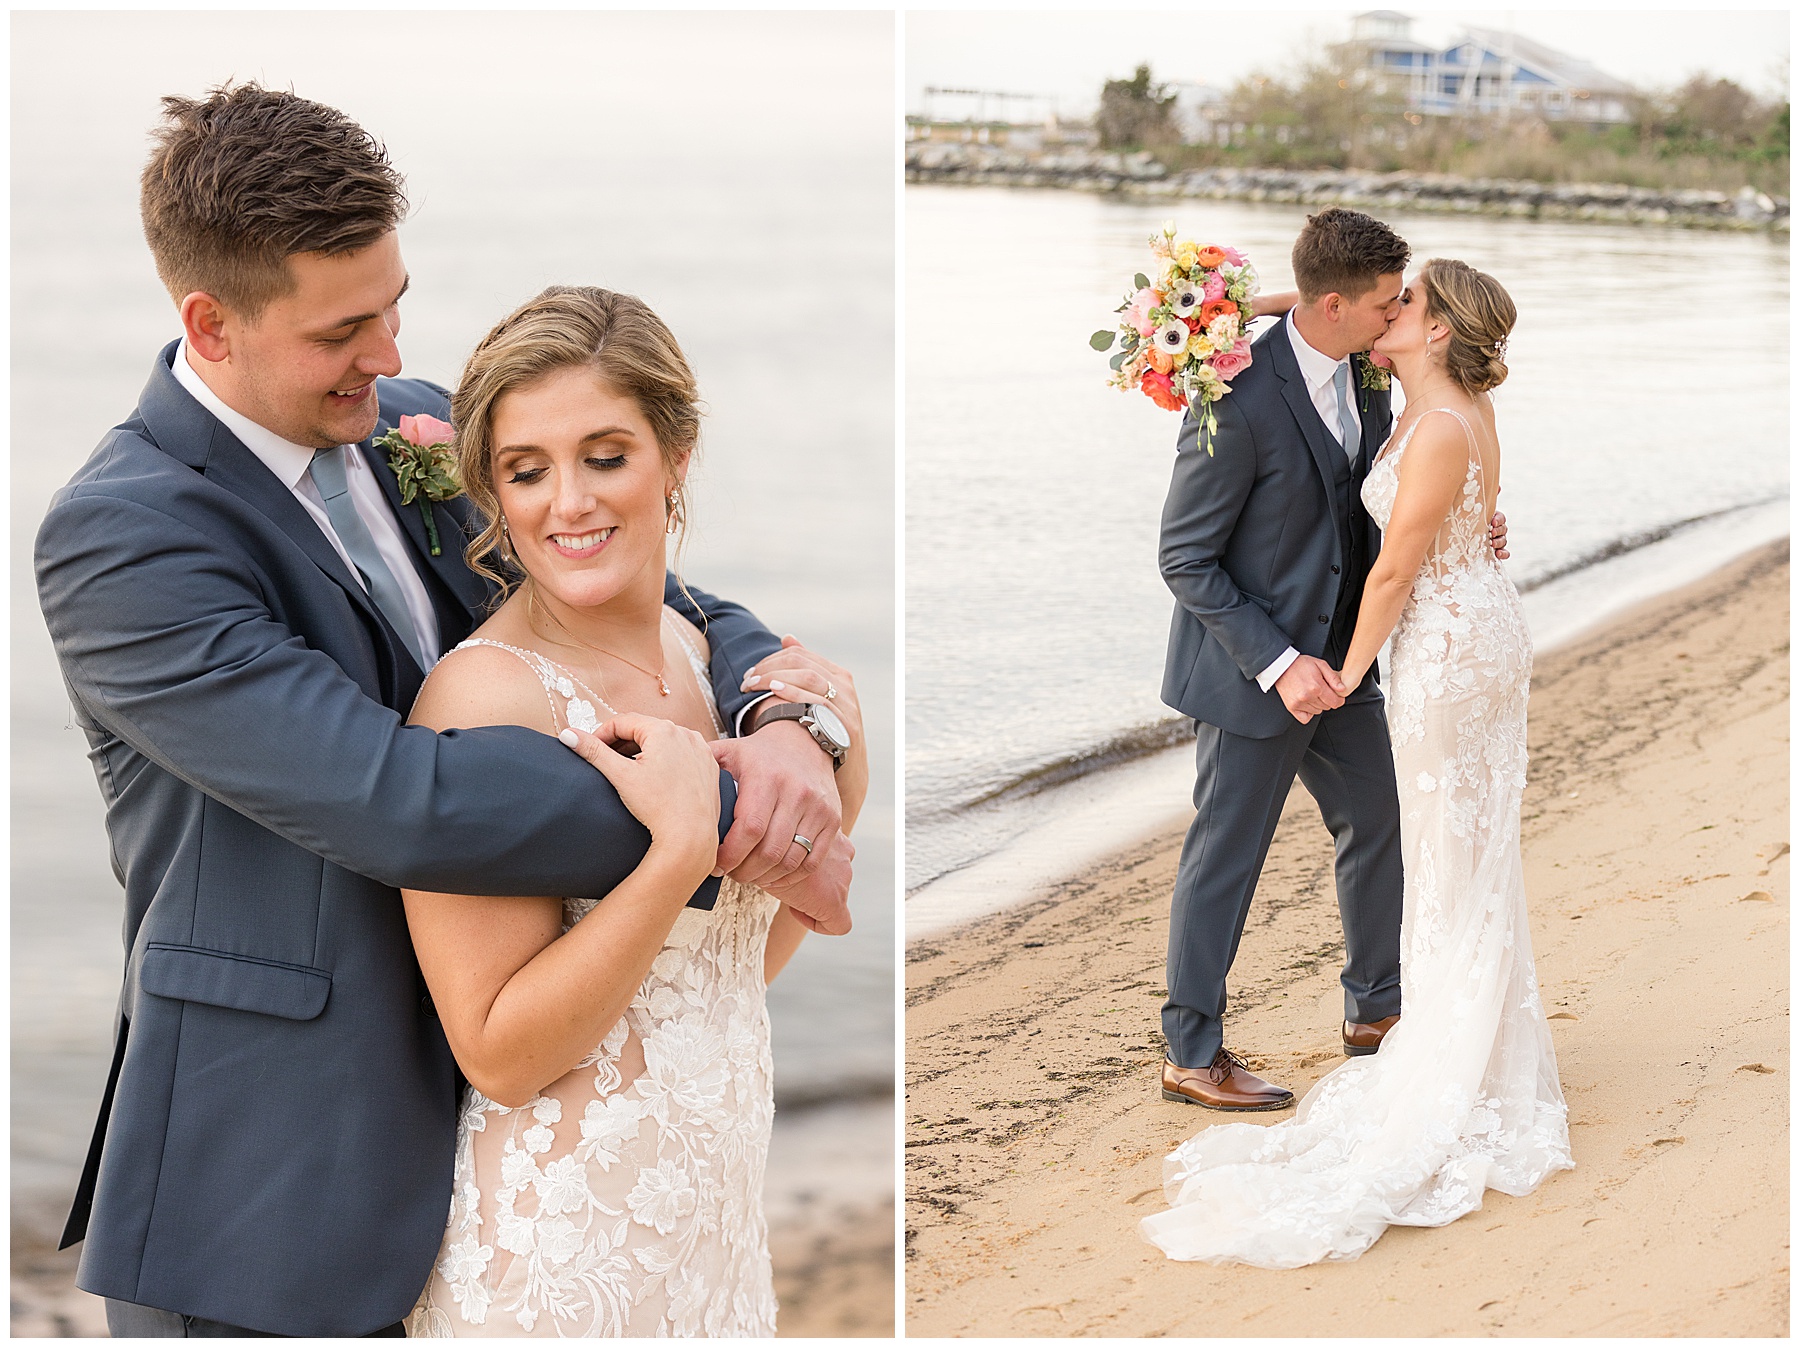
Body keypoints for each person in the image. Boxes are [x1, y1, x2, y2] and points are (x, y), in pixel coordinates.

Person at [34, 84, 855, 1338]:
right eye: (343, 327)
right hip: (275, 1185)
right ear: (210, 322)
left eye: (394, 301)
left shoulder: (401, 424)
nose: (388, 350)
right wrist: (728, 801)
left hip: (499, 1147)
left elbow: (651, 593)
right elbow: (398, 798)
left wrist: (793, 720)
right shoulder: (126, 538)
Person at [401, 286, 867, 1336]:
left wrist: (845, 747)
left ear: (677, 454)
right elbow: (500, 1052)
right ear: (493, 491)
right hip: (563, 1254)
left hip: (713, 1227)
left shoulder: (704, 656)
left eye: (606, 456)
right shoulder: (486, 699)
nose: (568, 502)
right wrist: (676, 853)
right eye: (527, 471)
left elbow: (721, 976)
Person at [1142, 258, 1573, 1267]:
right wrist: (1287, 663)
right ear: (1333, 301)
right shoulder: (1235, 391)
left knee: (1383, 822)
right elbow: (1184, 555)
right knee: (1228, 851)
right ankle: (1191, 1050)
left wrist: (1460, 531)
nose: (1394, 312)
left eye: (1406, 301)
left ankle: (1377, 1003)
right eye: (1383, 297)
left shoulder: (1386, 381)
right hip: (1269, 667)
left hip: (1361, 660)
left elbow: (1396, 523)